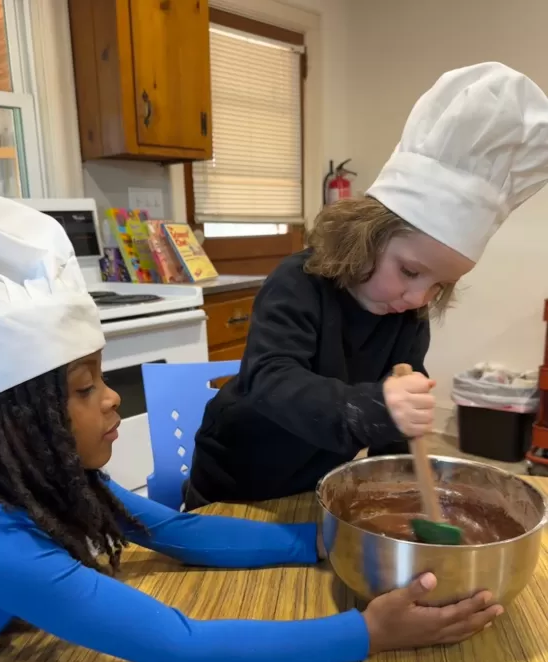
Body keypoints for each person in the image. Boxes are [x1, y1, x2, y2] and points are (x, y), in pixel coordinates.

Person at [0, 189, 502, 662]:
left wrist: (330, 543)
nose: (113, 396)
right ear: (11, 423)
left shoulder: (41, 483)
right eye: (85, 389)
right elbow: (184, 646)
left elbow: (177, 533)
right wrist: (369, 633)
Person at [186, 62, 548, 508]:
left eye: (439, 285)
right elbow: (271, 380)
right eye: (411, 271)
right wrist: (377, 406)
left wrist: (396, 487)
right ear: (365, 236)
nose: (419, 298)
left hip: (315, 482)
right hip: (236, 480)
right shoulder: (299, 283)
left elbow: (395, 422)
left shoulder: (407, 312)